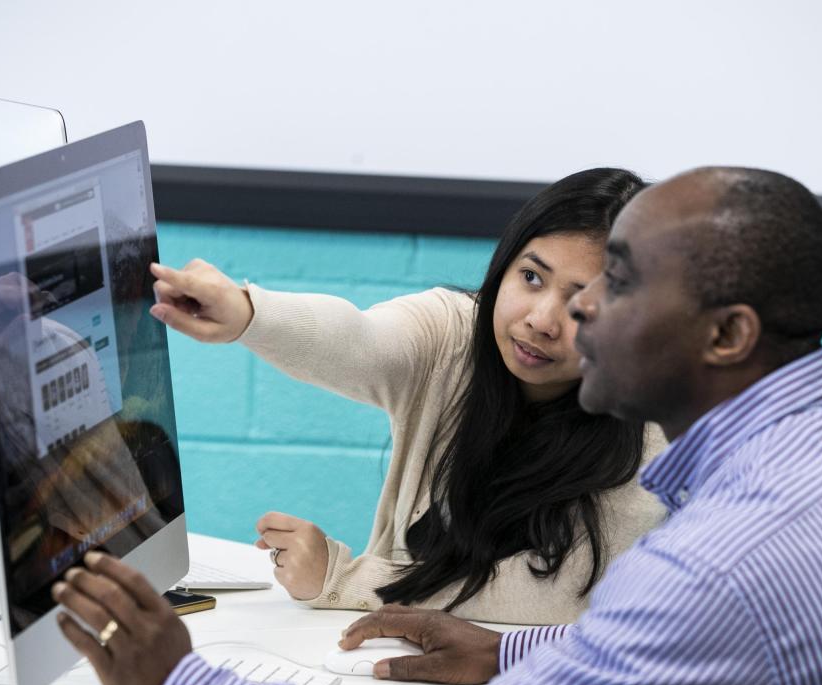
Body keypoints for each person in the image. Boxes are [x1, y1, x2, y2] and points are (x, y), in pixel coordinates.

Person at [53, 166, 822, 685]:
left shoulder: (726, 556)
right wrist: (509, 656)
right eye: (541, 278)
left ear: (726, 336)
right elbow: (688, 665)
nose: (577, 309)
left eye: (620, 282)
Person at [147, 168, 666, 624]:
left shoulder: (652, 429)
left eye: (582, 304)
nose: (541, 320)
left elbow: (557, 598)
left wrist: (344, 579)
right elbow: (359, 341)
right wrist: (248, 315)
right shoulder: (454, 330)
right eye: (531, 277)